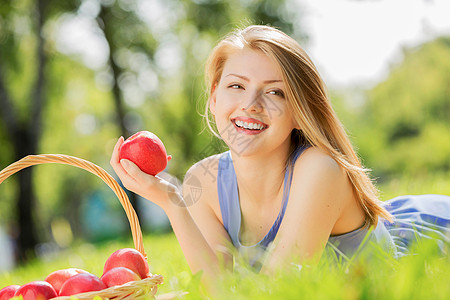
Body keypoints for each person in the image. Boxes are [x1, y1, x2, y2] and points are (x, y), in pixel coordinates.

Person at [110, 25, 450, 277]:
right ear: (214, 97)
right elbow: (220, 289)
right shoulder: (203, 180)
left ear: (300, 112)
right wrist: (172, 200)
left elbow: (277, 290)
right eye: (236, 86)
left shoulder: (321, 169)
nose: (250, 105)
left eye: (274, 93)